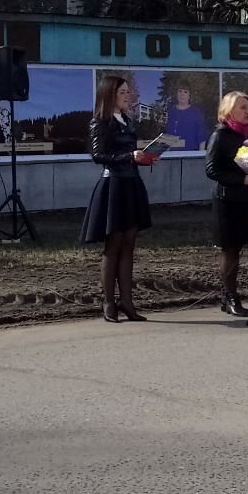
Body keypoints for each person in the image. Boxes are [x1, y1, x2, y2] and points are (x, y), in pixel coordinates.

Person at [80, 75, 159, 322]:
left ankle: (127, 302)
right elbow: (98, 155)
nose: (128, 96)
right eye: (123, 92)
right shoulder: (100, 122)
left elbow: (129, 154)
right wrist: (129, 157)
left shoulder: (127, 120)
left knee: (129, 246)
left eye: (128, 92)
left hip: (132, 184)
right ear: (110, 94)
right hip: (113, 186)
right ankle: (108, 303)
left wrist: (145, 158)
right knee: (113, 246)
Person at [204, 91, 248, 316]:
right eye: (241, 107)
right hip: (226, 200)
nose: (247, 110)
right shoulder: (220, 135)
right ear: (228, 111)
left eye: (247, 106)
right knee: (230, 250)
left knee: (238, 248)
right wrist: (242, 179)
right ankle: (230, 297)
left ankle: (228, 295)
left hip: (244, 198)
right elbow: (211, 169)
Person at [164, 85, 209, 150]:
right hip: (172, 155)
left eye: (185, 92)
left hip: (190, 155)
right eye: (180, 91)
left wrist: (199, 155)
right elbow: (167, 136)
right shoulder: (171, 112)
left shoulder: (196, 112)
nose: (182, 94)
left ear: (189, 95)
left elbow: (201, 137)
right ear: (176, 93)